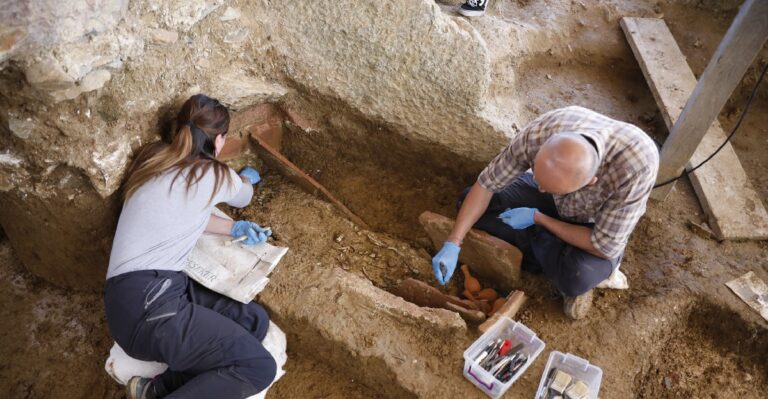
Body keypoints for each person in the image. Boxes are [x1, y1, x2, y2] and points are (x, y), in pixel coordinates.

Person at [104, 94, 277, 399]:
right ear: (219, 140)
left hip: (141, 296)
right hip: (149, 307)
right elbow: (245, 196)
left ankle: (156, 390)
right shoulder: (211, 173)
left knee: (254, 321)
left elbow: (185, 216)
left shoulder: (154, 159)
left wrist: (231, 227)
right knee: (258, 367)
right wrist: (243, 179)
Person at [432, 106, 659, 319]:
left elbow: (605, 246)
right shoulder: (541, 133)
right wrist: (454, 241)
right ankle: (546, 252)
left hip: (594, 226)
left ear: (591, 182)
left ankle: (541, 248)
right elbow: (487, 184)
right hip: (551, 203)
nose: (540, 188)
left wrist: (537, 218)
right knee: (468, 201)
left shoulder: (636, 168)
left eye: (546, 186)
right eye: (539, 179)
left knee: (577, 276)